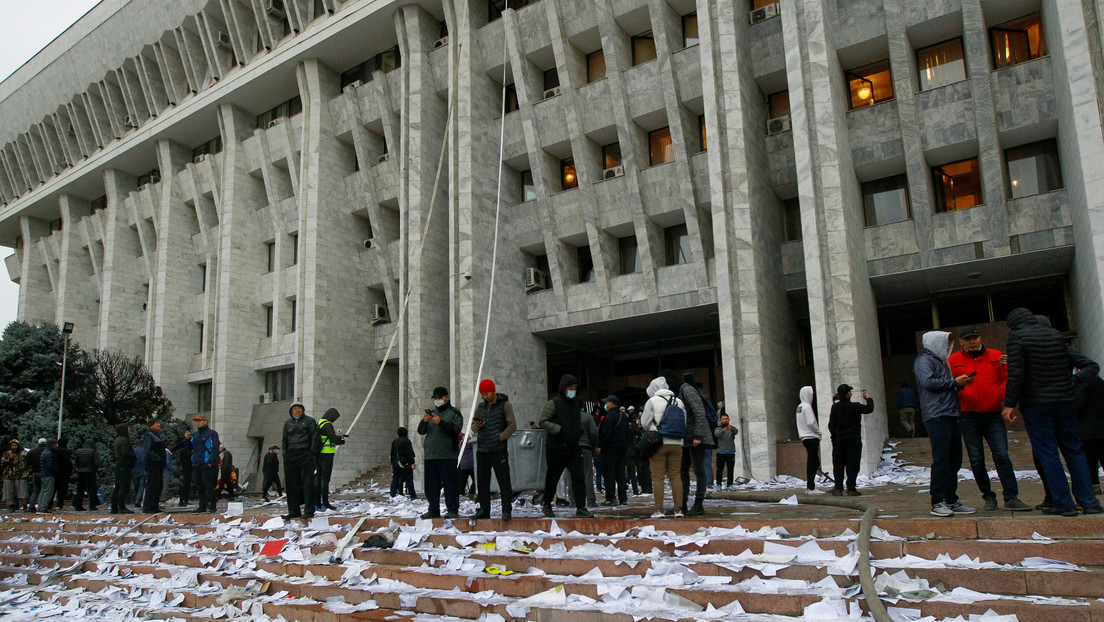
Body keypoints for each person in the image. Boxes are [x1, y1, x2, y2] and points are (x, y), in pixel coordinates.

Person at [1001, 308, 1103, 516]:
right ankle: (1089, 502)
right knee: (1074, 450)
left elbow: (1017, 373)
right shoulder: (1056, 336)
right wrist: (1073, 381)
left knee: (1047, 453)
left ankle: (1064, 503)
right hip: (1065, 401)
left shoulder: (1017, 337)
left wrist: (1009, 403)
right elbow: (1089, 366)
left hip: (1036, 403)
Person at [948, 326, 1030, 511]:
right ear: (961, 342)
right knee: (976, 459)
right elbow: (950, 385)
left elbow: (1005, 378)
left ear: (980, 338)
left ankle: (1011, 496)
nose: (972, 341)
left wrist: (1000, 396)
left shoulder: (995, 355)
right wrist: (960, 387)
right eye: (968, 339)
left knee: (1001, 454)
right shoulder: (953, 360)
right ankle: (988, 496)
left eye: (975, 337)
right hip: (968, 415)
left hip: (993, 414)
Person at [915, 331, 976, 517]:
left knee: (954, 460)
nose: (948, 348)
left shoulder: (942, 361)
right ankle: (938, 501)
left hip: (951, 413)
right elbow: (928, 382)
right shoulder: (924, 361)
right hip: (936, 414)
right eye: (945, 343)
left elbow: (944, 385)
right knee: (942, 459)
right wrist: (953, 382)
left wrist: (960, 384)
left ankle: (951, 498)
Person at [539, 374, 593, 518]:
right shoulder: (554, 403)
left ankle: (581, 506)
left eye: (575, 388)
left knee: (578, 476)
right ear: (563, 388)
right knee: (553, 477)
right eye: (570, 388)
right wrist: (559, 429)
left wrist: (578, 431)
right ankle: (547, 504)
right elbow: (543, 421)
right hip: (556, 447)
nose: (573, 390)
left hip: (574, 446)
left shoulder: (576, 404)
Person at [663, 369, 713, 517]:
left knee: (698, 471)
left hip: (697, 437)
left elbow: (699, 412)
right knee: (682, 471)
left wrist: (697, 436)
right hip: (684, 437)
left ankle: (699, 504)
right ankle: (681, 505)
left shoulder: (687, 389)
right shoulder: (677, 392)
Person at [472, 380, 517, 520]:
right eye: (482, 394)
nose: (484, 396)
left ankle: (506, 510)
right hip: (482, 449)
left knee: (503, 480)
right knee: (482, 481)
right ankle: (484, 509)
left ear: (493, 391)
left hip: (498, 449)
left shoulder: (505, 405)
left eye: (486, 393)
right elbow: (473, 427)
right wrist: (478, 426)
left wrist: (501, 437)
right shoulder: (480, 407)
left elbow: (512, 425)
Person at [641, 376, 685, 518]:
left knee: (658, 477)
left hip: (658, 443)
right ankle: (678, 509)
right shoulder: (678, 401)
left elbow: (645, 423)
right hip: (677, 443)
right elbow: (683, 422)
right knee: (676, 476)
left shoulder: (652, 401)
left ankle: (659, 510)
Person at [418, 387, 462, 519]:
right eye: (435, 398)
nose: (437, 400)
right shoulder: (432, 413)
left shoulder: (454, 413)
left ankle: (452, 509)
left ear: (446, 397)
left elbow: (456, 430)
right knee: (431, 485)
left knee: (450, 484)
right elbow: (421, 431)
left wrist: (441, 423)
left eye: (439, 397)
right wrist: (424, 421)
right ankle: (433, 508)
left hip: (447, 454)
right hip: (431, 455)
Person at [828, 383, 875, 497]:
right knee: (852, 465)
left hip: (839, 441)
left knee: (838, 465)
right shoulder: (855, 406)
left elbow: (831, 425)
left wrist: (834, 438)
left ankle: (838, 488)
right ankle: (851, 488)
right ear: (848, 393)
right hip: (853, 440)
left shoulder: (835, 407)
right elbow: (869, 409)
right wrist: (868, 398)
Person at [283, 402, 321, 520]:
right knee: (291, 484)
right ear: (291, 411)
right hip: (291, 456)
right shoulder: (287, 423)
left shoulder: (309, 421)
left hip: (305, 455)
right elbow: (284, 439)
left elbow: (314, 437)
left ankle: (309, 511)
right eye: (295, 409)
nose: (297, 410)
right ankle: (294, 511)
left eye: (299, 408)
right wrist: (285, 453)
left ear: (303, 410)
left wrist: (311, 452)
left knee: (308, 483)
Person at [1075, 374, 1104, 495]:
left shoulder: (1083, 384)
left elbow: (1078, 405)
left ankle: (1094, 485)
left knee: (1090, 459)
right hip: (1101, 426)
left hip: (1087, 429)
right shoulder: (1100, 382)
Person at [598, 396, 629, 506]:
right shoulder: (623, 416)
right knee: (621, 474)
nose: (605, 405)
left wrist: (600, 445)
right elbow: (627, 432)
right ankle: (623, 498)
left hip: (610, 449)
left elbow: (606, 433)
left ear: (611, 403)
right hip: (621, 449)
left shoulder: (609, 416)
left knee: (609, 474)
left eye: (606, 403)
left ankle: (611, 498)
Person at [315, 408, 346, 511]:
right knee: (325, 479)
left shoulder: (319, 423)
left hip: (318, 454)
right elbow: (332, 439)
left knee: (318, 479)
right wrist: (341, 439)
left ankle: (317, 503)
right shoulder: (328, 424)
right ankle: (325, 503)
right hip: (327, 454)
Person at [795, 386, 823, 494]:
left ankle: (810, 486)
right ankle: (811, 487)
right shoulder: (807, 407)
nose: (813, 397)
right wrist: (818, 432)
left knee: (814, 461)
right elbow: (811, 422)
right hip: (811, 437)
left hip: (804, 437)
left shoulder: (799, 407)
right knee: (813, 462)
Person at [191, 415, 220, 513]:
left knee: (209, 486)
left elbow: (215, 449)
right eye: (197, 421)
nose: (198, 423)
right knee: (199, 487)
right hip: (196, 464)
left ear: (206, 421)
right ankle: (202, 506)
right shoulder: (195, 435)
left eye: (200, 421)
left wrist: (210, 462)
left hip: (206, 464)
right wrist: (187, 440)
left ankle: (212, 506)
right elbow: (191, 448)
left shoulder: (212, 434)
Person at [576, 406, 599, 508]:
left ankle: (573, 500)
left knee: (572, 475)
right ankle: (590, 500)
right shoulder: (587, 417)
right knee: (588, 474)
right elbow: (594, 432)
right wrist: (594, 445)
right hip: (585, 447)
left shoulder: (567, 416)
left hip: (572, 448)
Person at [140, 421, 165, 513]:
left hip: (158, 464)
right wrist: (158, 458)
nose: (159, 424)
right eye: (156, 423)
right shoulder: (149, 435)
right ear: (151, 425)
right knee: (152, 485)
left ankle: (154, 506)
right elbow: (148, 450)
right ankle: (148, 506)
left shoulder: (156, 435)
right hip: (153, 464)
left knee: (158, 485)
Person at [111, 425, 136, 514]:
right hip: (124, 466)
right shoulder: (124, 440)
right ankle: (121, 507)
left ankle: (114, 507)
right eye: (128, 428)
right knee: (123, 487)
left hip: (119, 465)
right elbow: (125, 452)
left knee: (117, 487)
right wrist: (134, 455)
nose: (129, 429)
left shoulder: (118, 439)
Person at [2, 440, 30, 512]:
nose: (14, 447)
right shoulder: (7, 454)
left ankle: (24, 506)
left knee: (22, 492)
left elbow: (28, 464)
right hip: (9, 475)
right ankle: (11, 506)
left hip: (21, 475)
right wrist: (9, 458)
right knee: (9, 492)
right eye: (12, 446)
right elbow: (2, 463)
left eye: (15, 445)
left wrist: (27, 472)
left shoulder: (24, 453)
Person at [389, 429, 416, 498]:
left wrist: (392, 463)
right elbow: (410, 452)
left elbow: (392, 453)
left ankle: (393, 493)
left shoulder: (394, 441)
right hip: (405, 463)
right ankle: (412, 494)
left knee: (395, 478)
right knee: (409, 479)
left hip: (396, 462)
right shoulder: (407, 441)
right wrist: (412, 462)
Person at [714, 413, 738, 489]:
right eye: (723, 419)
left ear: (728, 420)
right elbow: (716, 434)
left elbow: (736, 431)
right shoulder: (718, 428)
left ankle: (730, 484)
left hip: (730, 452)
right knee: (719, 469)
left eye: (726, 419)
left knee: (730, 469)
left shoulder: (731, 428)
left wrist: (732, 429)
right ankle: (718, 484)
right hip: (721, 452)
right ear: (720, 420)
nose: (725, 420)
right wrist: (722, 431)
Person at [37, 440, 58, 513]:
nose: (56, 446)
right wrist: (56, 470)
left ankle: (40, 506)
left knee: (43, 490)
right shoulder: (50, 454)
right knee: (48, 491)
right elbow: (50, 465)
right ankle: (43, 507)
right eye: (55, 444)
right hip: (49, 475)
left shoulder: (44, 452)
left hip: (44, 474)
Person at [52, 438, 73, 511]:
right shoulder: (66, 451)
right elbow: (68, 462)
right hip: (64, 473)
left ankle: (49, 504)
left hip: (55, 472)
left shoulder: (54, 451)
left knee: (53, 489)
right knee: (62, 490)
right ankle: (60, 505)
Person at [177, 430, 194, 506]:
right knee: (185, 484)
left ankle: (184, 500)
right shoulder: (184, 450)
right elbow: (187, 450)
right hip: (187, 468)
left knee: (186, 484)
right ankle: (183, 500)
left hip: (188, 467)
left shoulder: (185, 448)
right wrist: (187, 439)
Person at [27, 438, 45, 511]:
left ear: (38, 443)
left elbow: (28, 463)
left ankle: (31, 505)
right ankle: (41, 506)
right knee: (44, 490)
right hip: (44, 472)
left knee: (36, 490)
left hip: (35, 472)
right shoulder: (48, 451)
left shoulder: (32, 451)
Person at [457, 433, 475, 497]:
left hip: (463, 465)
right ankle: (472, 491)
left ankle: (461, 492)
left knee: (463, 481)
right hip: (470, 464)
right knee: (475, 479)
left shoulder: (460, 444)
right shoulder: (469, 444)